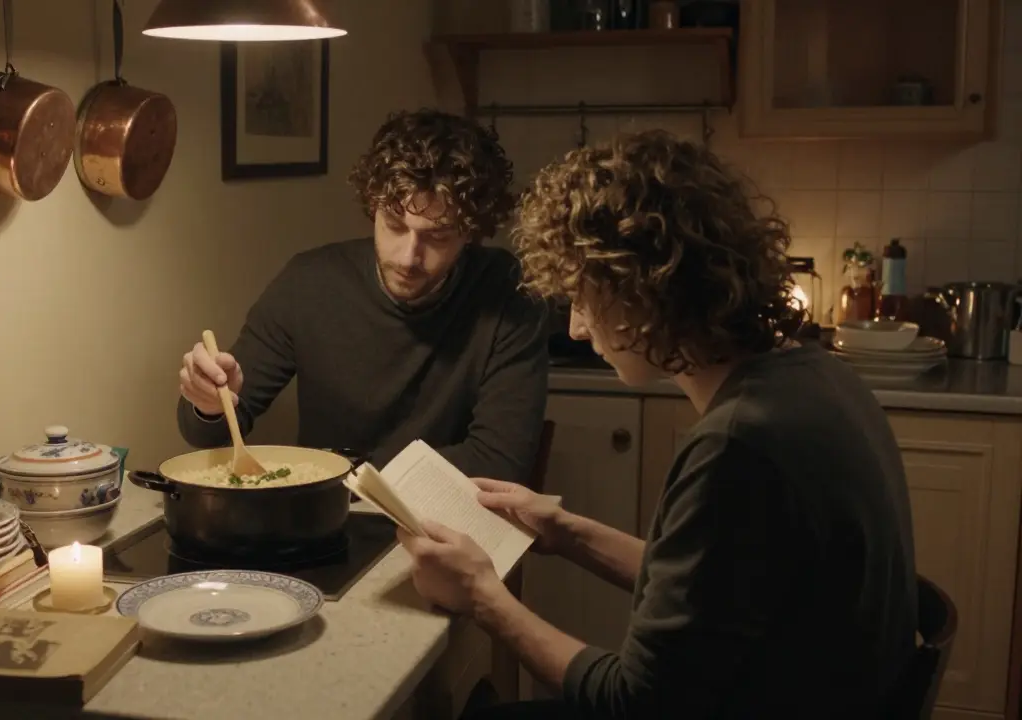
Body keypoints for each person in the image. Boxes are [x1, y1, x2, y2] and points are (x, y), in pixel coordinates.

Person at [396, 130, 919, 718]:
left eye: (583, 298)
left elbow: (636, 702)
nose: (575, 328)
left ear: (645, 292)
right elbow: (716, 590)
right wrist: (564, 531)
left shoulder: (737, 445)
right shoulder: (816, 374)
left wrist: (482, 598)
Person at [177, 109, 549, 482]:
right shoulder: (309, 283)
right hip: (329, 518)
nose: (408, 257)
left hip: (447, 523)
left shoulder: (508, 291)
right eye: (394, 224)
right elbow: (211, 434)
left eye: (437, 236)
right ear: (373, 205)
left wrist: (344, 473)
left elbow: (500, 461)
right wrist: (209, 406)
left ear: (471, 232)